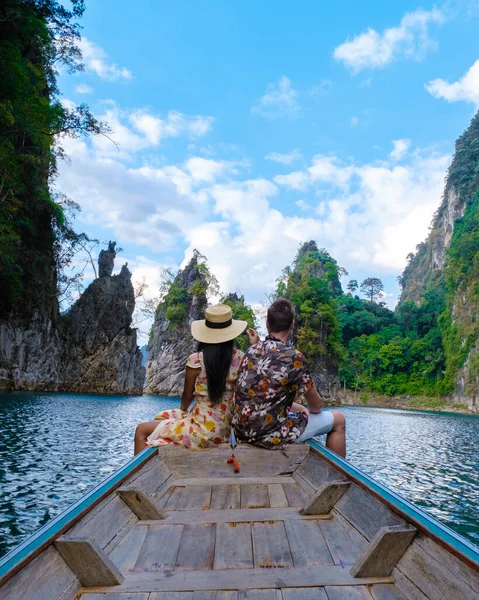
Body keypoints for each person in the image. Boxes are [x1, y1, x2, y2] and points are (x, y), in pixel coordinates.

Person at [232, 298, 346, 457]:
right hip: (267, 437)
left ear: (267, 324)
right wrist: (305, 410)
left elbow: (261, 397)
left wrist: (297, 408)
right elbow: (316, 407)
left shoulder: (251, 351)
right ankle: (337, 475)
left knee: (298, 412)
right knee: (339, 420)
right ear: (292, 324)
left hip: (242, 432)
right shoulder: (294, 358)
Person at [134, 304, 250, 454]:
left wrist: (182, 410)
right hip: (224, 431)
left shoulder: (196, 360)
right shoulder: (241, 358)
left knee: (141, 430)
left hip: (200, 434)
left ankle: (141, 477)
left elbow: (187, 397)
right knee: (162, 416)